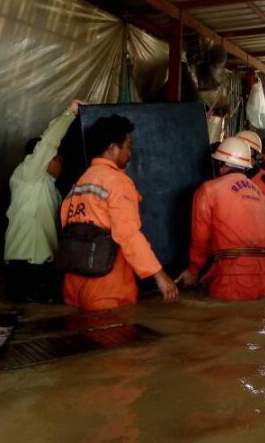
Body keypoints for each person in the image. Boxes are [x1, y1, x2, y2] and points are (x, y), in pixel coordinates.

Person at [60, 114, 178, 310]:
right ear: (112, 148)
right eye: (128, 146)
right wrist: (158, 274)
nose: (130, 153)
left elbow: (66, 224)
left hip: (73, 285)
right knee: (113, 338)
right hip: (106, 288)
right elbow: (127, 233)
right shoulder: (117, 182)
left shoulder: (79, 183)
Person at [4, 99, 84, 303]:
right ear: (48, 159)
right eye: (60, 161)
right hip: (25, 264)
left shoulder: (50, 188)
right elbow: (48, 143)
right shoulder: (28, 174)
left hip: (43, 265)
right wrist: (70, 113)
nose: (61, 167)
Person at [176, 137, 265, 300]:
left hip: (232, 277)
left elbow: (200, 238)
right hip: (263, 276)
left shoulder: (209, 189)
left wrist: (193, 270)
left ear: (222, 165)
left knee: (225, 323)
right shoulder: (259, 193)